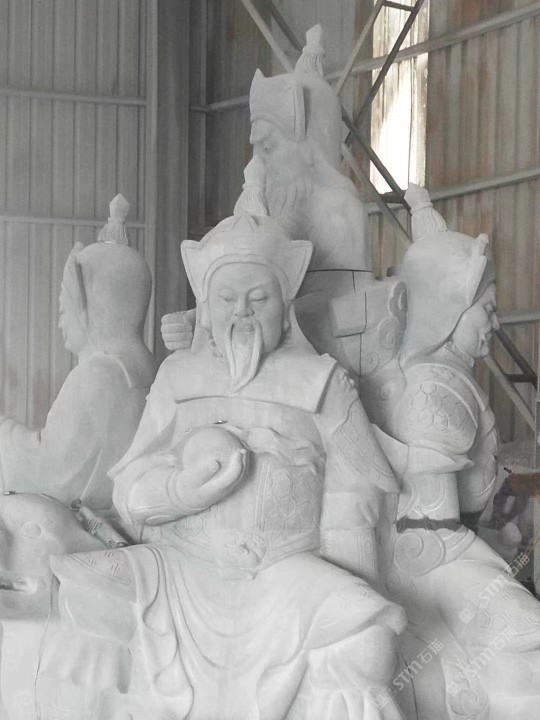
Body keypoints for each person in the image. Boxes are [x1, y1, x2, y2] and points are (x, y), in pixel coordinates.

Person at [37, 213, 407, 720]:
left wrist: (354, 587)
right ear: (206, 310)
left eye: (259, 299)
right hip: (181, 572)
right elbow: (127, 486)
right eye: (227, 299)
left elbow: (357, 495)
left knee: (366, 645)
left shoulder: (322, 383)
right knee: (78, 592)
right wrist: (179, 491)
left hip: (284, 576)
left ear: (285, 308)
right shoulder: (178, 378)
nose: (242, 312)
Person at [368, 184, 540, 720]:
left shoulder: (452, 379)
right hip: (430, 555)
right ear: (450, 310)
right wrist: (495, 550)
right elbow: (433, 523)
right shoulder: (434, 389)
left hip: (456, 537)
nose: (495, 323)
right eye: (486, 310)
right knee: (525, 630)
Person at [0, 196, 156, 527]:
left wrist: (4, 434)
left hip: (95, 525)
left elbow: (50, 473)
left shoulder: (97, 375)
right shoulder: (148, 368)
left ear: (91, 312)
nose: (60, 323)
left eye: (64, 310)